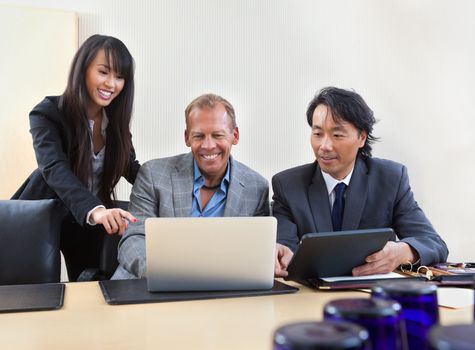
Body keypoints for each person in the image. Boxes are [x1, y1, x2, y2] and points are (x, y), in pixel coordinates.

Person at [273, 87, 448, 277]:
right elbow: (284, 246)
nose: (324, 146)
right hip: (308, 297)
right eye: (317, 134)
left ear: (362, 137)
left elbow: (434, 243)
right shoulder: (288, 185)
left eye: (337, 135)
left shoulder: (390, 178)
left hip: (372, 297)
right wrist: (281, 255)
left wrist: (402, 252)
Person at [12, 35, 140, 281]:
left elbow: (131, 168)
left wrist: (171, 182)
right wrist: (96, 210)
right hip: (41, 214)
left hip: (86, 225)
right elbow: (54, 168)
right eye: (103, 72)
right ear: (83, 70)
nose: (111, 83)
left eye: (120, 77)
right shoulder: (47, 112)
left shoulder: (116, 126)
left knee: (92, 287)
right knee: (27, 292)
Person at [113, 93, 269, 279]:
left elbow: (257, 253)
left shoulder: (257, 188)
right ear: (187, 138)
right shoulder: (153, 175)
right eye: (199, 136)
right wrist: (157, 273)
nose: (208, 145)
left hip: (221, 286)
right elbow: (133, 239)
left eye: (218, 135)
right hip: (149, 281)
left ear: (234, 135)